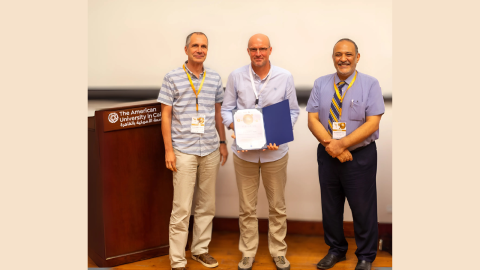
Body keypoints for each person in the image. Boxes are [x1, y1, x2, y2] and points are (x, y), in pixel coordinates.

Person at [221, 34, 300, 270]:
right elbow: (226, 110)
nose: (258, 53)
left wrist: (280, 135)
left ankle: (278, 251)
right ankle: (247, 252)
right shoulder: (236, 76)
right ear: (248, 51)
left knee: (277, 206)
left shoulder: (284, 77)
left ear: (270, 50)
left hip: (275, 153)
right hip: (243, 153)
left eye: (262, 49)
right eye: (254, 49)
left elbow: (293, 112)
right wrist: (238, 128)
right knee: (247, 208)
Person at [306, 38, 385, 270]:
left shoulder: (370, 84)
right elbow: (312, 119)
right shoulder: (321, 84)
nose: (343, 59)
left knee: (363, 208)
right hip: (328, 154)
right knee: (330, 207)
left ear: (357, 57)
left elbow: (373, 122)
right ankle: (336, 250)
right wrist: (333, 146)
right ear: (333, 58)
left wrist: (343, 145)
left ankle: (366, 256)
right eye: (338, 54)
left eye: (348, 54)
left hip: (360, 156)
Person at [157, 32, 229, 270]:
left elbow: (218, 114)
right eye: (195, 46)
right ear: (186, 49)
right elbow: (165, 115)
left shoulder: (215, 78)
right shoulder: (172, 77)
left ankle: (200, 250)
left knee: (206, 205)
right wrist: (169, 150)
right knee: (182, 207)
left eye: (204, 46)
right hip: (183, 150)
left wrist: (222, 142)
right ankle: (177, 260)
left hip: (209, 148)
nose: (200, 50)